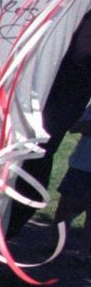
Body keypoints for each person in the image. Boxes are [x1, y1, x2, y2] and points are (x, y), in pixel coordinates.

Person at [8, 12, 91, 235]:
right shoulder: (57, 57)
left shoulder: (86, 68)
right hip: (21, 140)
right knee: (14, 197)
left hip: (46, 147)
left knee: (30, 198)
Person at [51, 110, 91, 260]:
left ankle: (84, 254)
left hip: (81, 166)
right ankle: (55, 246)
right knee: (64, 209)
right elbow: (74, 128)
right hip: (80, 165)